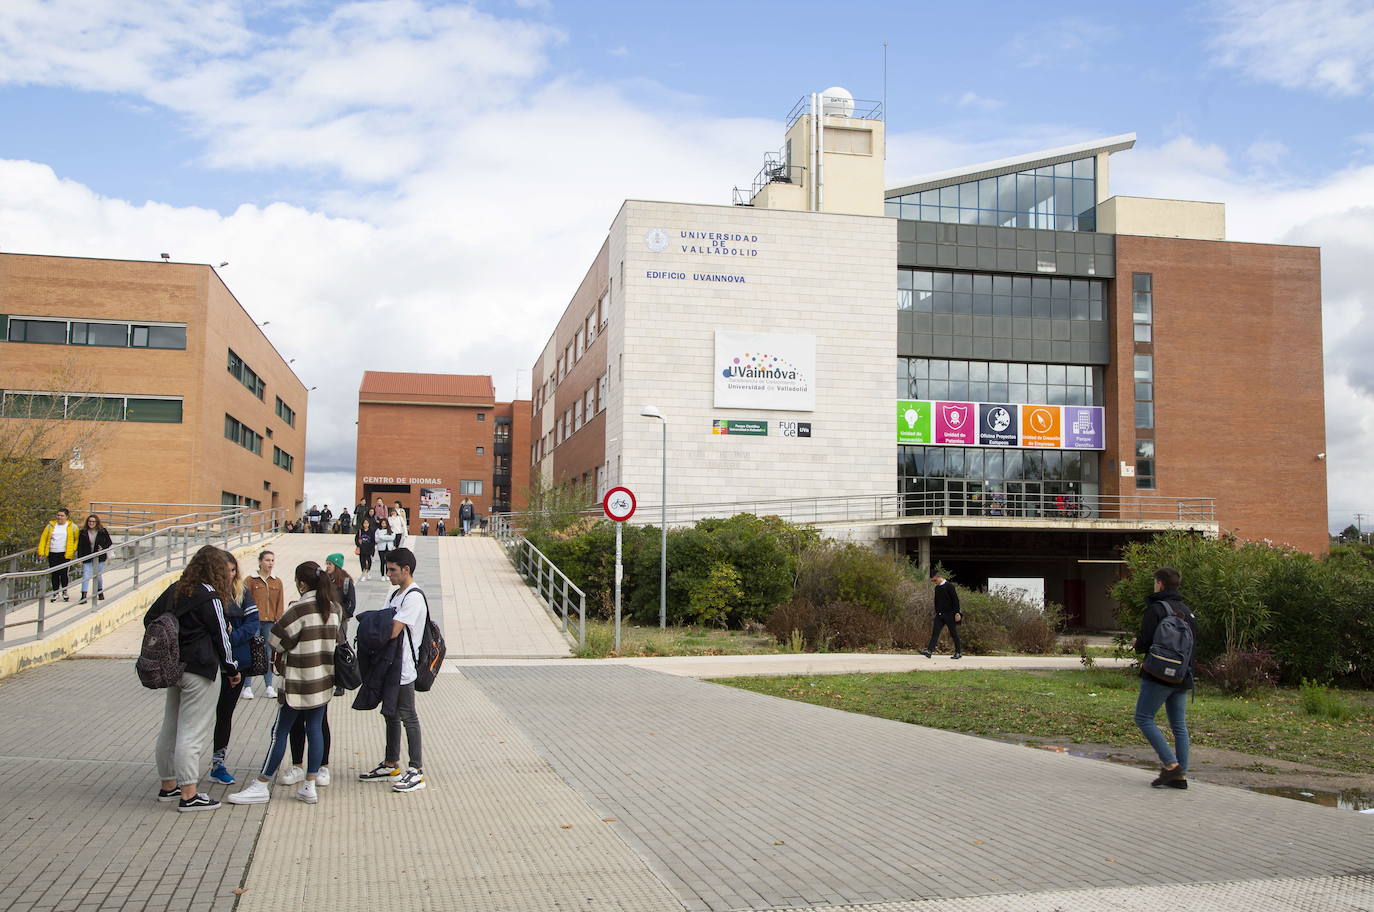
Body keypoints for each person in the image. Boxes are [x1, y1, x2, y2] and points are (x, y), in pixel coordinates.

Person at [228, 561, 340, 806]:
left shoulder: (299, 609)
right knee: (315, 729)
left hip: (297, 682)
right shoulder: (332, 609)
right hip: (322, 681)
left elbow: (275, 640)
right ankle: (310, 785)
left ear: (301, 583)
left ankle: (262, 783)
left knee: (279, 732)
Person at [145, 545, 239, 812]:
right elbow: (222, 636)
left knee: (170, 727)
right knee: (193, 731)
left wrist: (173, 641)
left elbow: (150, 619)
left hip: (174, 668)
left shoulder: (176, 589)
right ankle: (189, 793)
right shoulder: (210, 595)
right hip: (201, 669)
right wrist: (232, 669)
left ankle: (168, 785)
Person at [358, 547, 427, 793]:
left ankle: (416, 771)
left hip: (404, 667)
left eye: (392, 570)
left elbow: (392, 629)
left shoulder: (413, 597)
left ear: (406, 569)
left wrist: (372, 626)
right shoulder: (396, 594)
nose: (388, 574)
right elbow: (382, 620)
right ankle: (391, 763)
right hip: (390, 664)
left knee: (408, 715)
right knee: (390, 713)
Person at [1133, 566, 1197, 790]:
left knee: (1143, 717)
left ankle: (1171, 766)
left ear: (1159, 583)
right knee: (1179, 725)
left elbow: (1144, 643)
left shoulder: (1157, 609)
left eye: (1155, 582)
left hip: (1158, 675)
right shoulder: (1187, 611)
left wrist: (1136, 644)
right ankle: (1181, 776)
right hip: (1182, 675)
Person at [209, 552, 260, 785]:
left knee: (225, 712)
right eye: (224, 570)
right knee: (201, 715)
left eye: (232, 570)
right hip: (211, 664)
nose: (229, 575)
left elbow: (253, 625)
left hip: (237, 663)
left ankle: (218, 763)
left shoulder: (242, 593)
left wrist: (230, 638)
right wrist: (222, 638)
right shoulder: (209, 594)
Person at [243, 550, 284, 699]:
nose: (270, 563)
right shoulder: (251, 580)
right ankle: (247, 686)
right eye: (267, 560)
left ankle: (269, 686)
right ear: (260, 562)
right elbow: (244, 601)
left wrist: (278, 620)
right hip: (254, 622)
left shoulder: (277, 581)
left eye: (272, 560)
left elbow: (280, 603)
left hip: (270, 622)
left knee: (267, 654)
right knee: (252, 652)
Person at [324, 553, 356, 697]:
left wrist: (343, 616)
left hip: (340, 621)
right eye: (327, 563)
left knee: (340, 650)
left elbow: (351, 603)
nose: (327, 566)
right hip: (326, 620)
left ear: (336, 565)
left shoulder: (346, 582)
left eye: (330, 564)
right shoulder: (325, 580)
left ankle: (340, 684)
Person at [37, 508, 78, 600]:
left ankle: (65, 591)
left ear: (67, 517)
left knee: (63, 573)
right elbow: (43, 539)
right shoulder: (50, 526)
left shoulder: (73, 527)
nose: (59, 517)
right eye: (58, 515)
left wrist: (73, 549)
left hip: (65, 553)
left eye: (62, 515)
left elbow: (77, 539)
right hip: (52, 552)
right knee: (54, 573)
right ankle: (55, 593)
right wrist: (41, 552)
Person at [921, 570, 963, 659]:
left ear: (939, 577)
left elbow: (955, 600)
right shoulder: (937, 588)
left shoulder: (949, 586)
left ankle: (958, 652)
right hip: (940, 615)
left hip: (950, 614)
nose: (934, 582)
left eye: (934, 580)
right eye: (932, 581)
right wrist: (937, 611)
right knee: (935, 633)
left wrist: (957, 613)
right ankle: (929, 651)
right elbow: (936, 601)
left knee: (953, 633)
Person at [76, 513, 113, 601]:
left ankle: (100, 592)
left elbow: (109, 542)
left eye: (93, 521)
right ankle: (83, 595)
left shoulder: (102, 531)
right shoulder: (83, 532)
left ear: (97, 522)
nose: (91, 523)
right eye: (89, 521)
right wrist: (79, 559)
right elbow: (80, 546)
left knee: (97, 575)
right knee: (86, 575)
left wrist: (103, 547)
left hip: (99, 557)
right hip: (87, 557)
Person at [356, 515, 376, 581]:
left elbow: (373, 540)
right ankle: (363, 573)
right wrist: (358, 545)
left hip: (369, 549)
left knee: (368, 561)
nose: (366, 525)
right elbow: (356, 539)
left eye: (367, 523)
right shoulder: (360, 531)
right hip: (362, 549)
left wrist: (372, 549)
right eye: (364, 523)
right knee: (362, 561)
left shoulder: (371, 531)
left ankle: (368, 571)